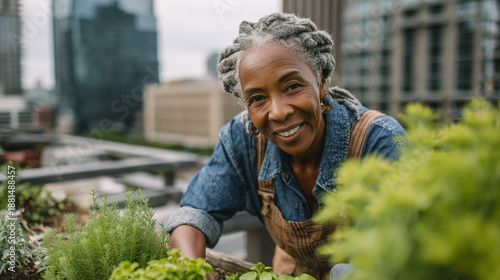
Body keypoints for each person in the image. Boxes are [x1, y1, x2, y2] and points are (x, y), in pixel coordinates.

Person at [167, 12, 406, 280]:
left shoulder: (379, 142)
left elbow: (377, 267)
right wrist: (192, 270)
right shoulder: (242, 141)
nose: (278, 112)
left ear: (322, 83)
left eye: (292, 86)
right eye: (257, 98)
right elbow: (195, 213)